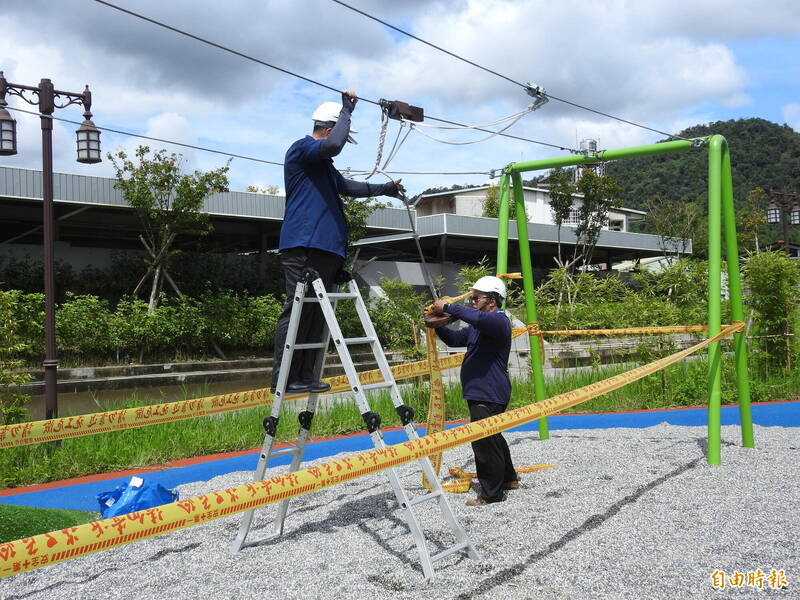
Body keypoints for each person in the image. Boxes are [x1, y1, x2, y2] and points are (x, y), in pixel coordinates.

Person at [273, 90, 405, 394]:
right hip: (303, 246)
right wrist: (348, 110)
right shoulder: (302, 149)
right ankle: (284, 378)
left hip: (327, 251)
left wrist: (384, 188)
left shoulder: (323, 168)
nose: (342, 145)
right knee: (297, 311)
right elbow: (332, 145)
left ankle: (305, 376)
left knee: (317, 315)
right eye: (342, 135)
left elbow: (347, 186)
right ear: (330, 127)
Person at [425, 276, 517, 506]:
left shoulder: (499, 322)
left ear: (493, 301)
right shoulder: (478, 326)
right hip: (482, 391)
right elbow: (455, 339)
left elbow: (474, 316)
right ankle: (509, 479)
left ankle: (490, 494)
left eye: (476, 298)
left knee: (483, 443)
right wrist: (435, 324)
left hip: (489, 392)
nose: (473, 302)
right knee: (493, 437)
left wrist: (447, 307)